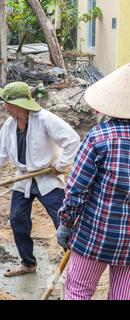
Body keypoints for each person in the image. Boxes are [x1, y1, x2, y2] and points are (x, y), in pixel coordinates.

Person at [0, 81, 80, 277]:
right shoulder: (10, 125)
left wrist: (60, 165)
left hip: (46, 178)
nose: (4, 106)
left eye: (7, 103)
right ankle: (28, 263)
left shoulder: (44, 119)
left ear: (20, 104)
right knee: (17, 219)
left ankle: (74, 266)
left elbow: (72, 140)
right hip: (24, 178)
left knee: (62, 221)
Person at [57, 63, 130, 300]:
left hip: (95, 233)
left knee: (78, 290)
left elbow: (77, 189)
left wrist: (66, 223)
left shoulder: (99, 136)